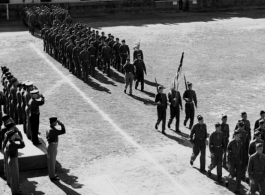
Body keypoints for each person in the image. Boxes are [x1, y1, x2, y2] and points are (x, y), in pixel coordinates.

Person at [4, 130, 25, 195]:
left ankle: (16, 190)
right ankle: (15, 192)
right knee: (14, 177)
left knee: (14, 176)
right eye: (14, 135)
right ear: (11, 136)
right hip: (13, 160)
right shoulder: (12, 144)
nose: (15, 135)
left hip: (12, 159)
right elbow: (22, 145)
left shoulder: (9, 142)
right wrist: (20, 139)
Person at [225, 129, 243, 194]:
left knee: (239, 174)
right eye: (237, 135)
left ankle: (237, 189)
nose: (238, 137)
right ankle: (227, 180)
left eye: (239, 135)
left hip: (238, 159)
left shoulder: (240, 142)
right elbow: (228, 152)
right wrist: (228, 162)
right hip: (232, 159)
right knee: (232, 174)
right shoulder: (231, 143)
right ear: (234, 136)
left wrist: (241, 159)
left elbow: (241, 151)